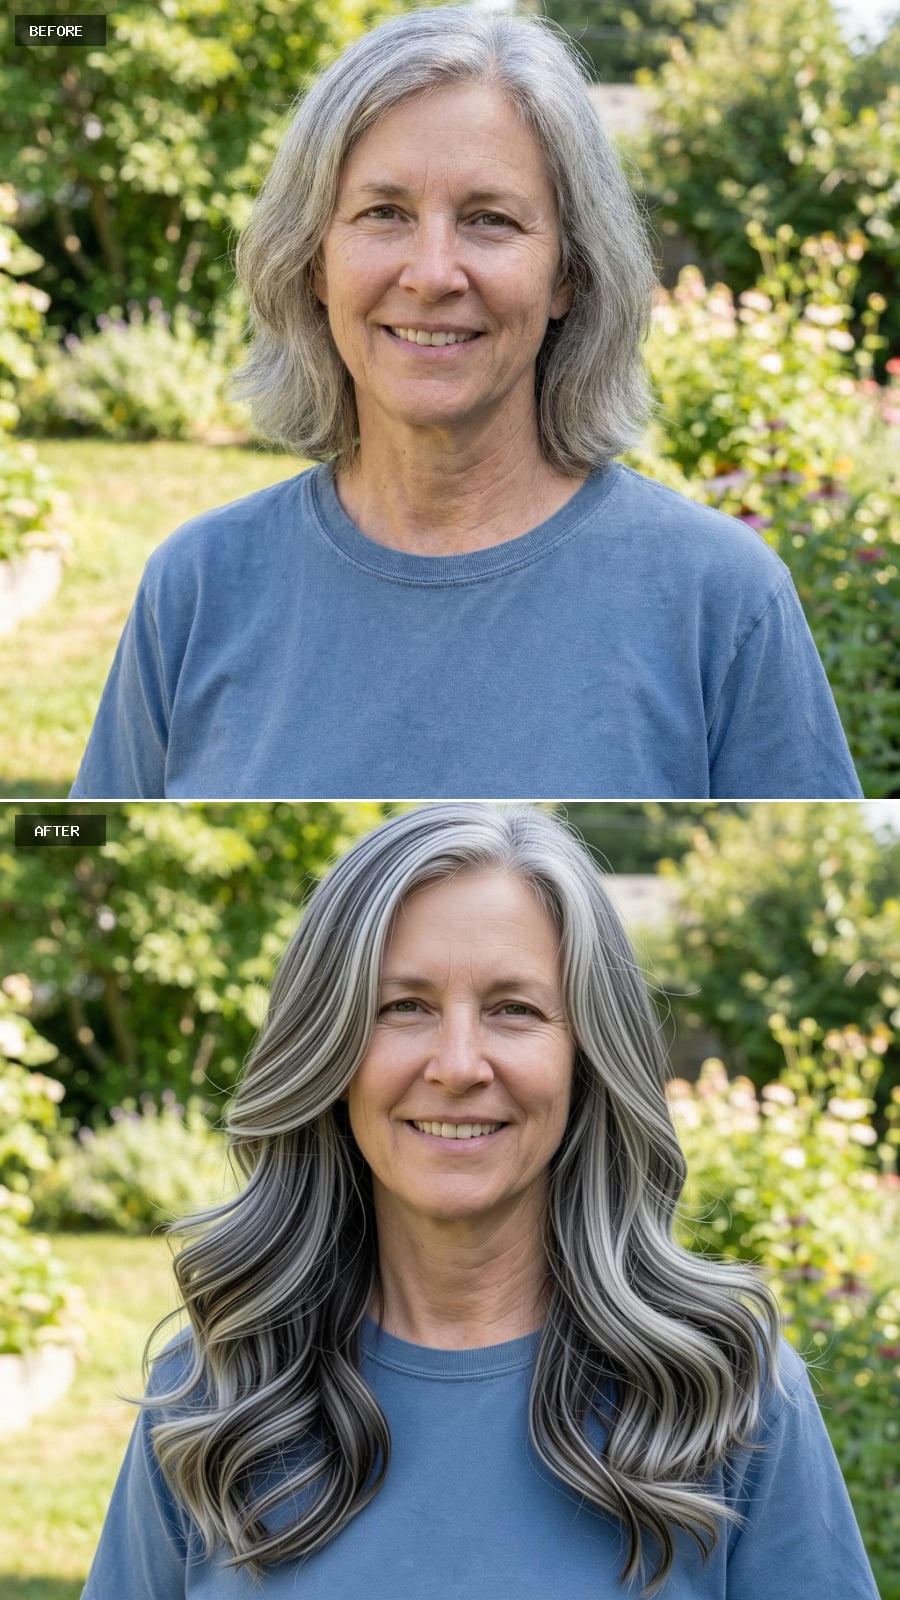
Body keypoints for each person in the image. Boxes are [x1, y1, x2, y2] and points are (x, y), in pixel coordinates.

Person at [82, 803, 879, 1599]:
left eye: (514, 1009)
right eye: (404, 1006)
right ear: (328, 1054)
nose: (458, 1065)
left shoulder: (723, 1391)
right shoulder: (219, 1395)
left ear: (586, 1059)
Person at [69, 8, 861, 801]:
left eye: (491, 220)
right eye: (385, 213)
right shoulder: (199, 585)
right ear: (313, 262)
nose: (433, 272)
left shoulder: (720, 600)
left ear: (568, 276)